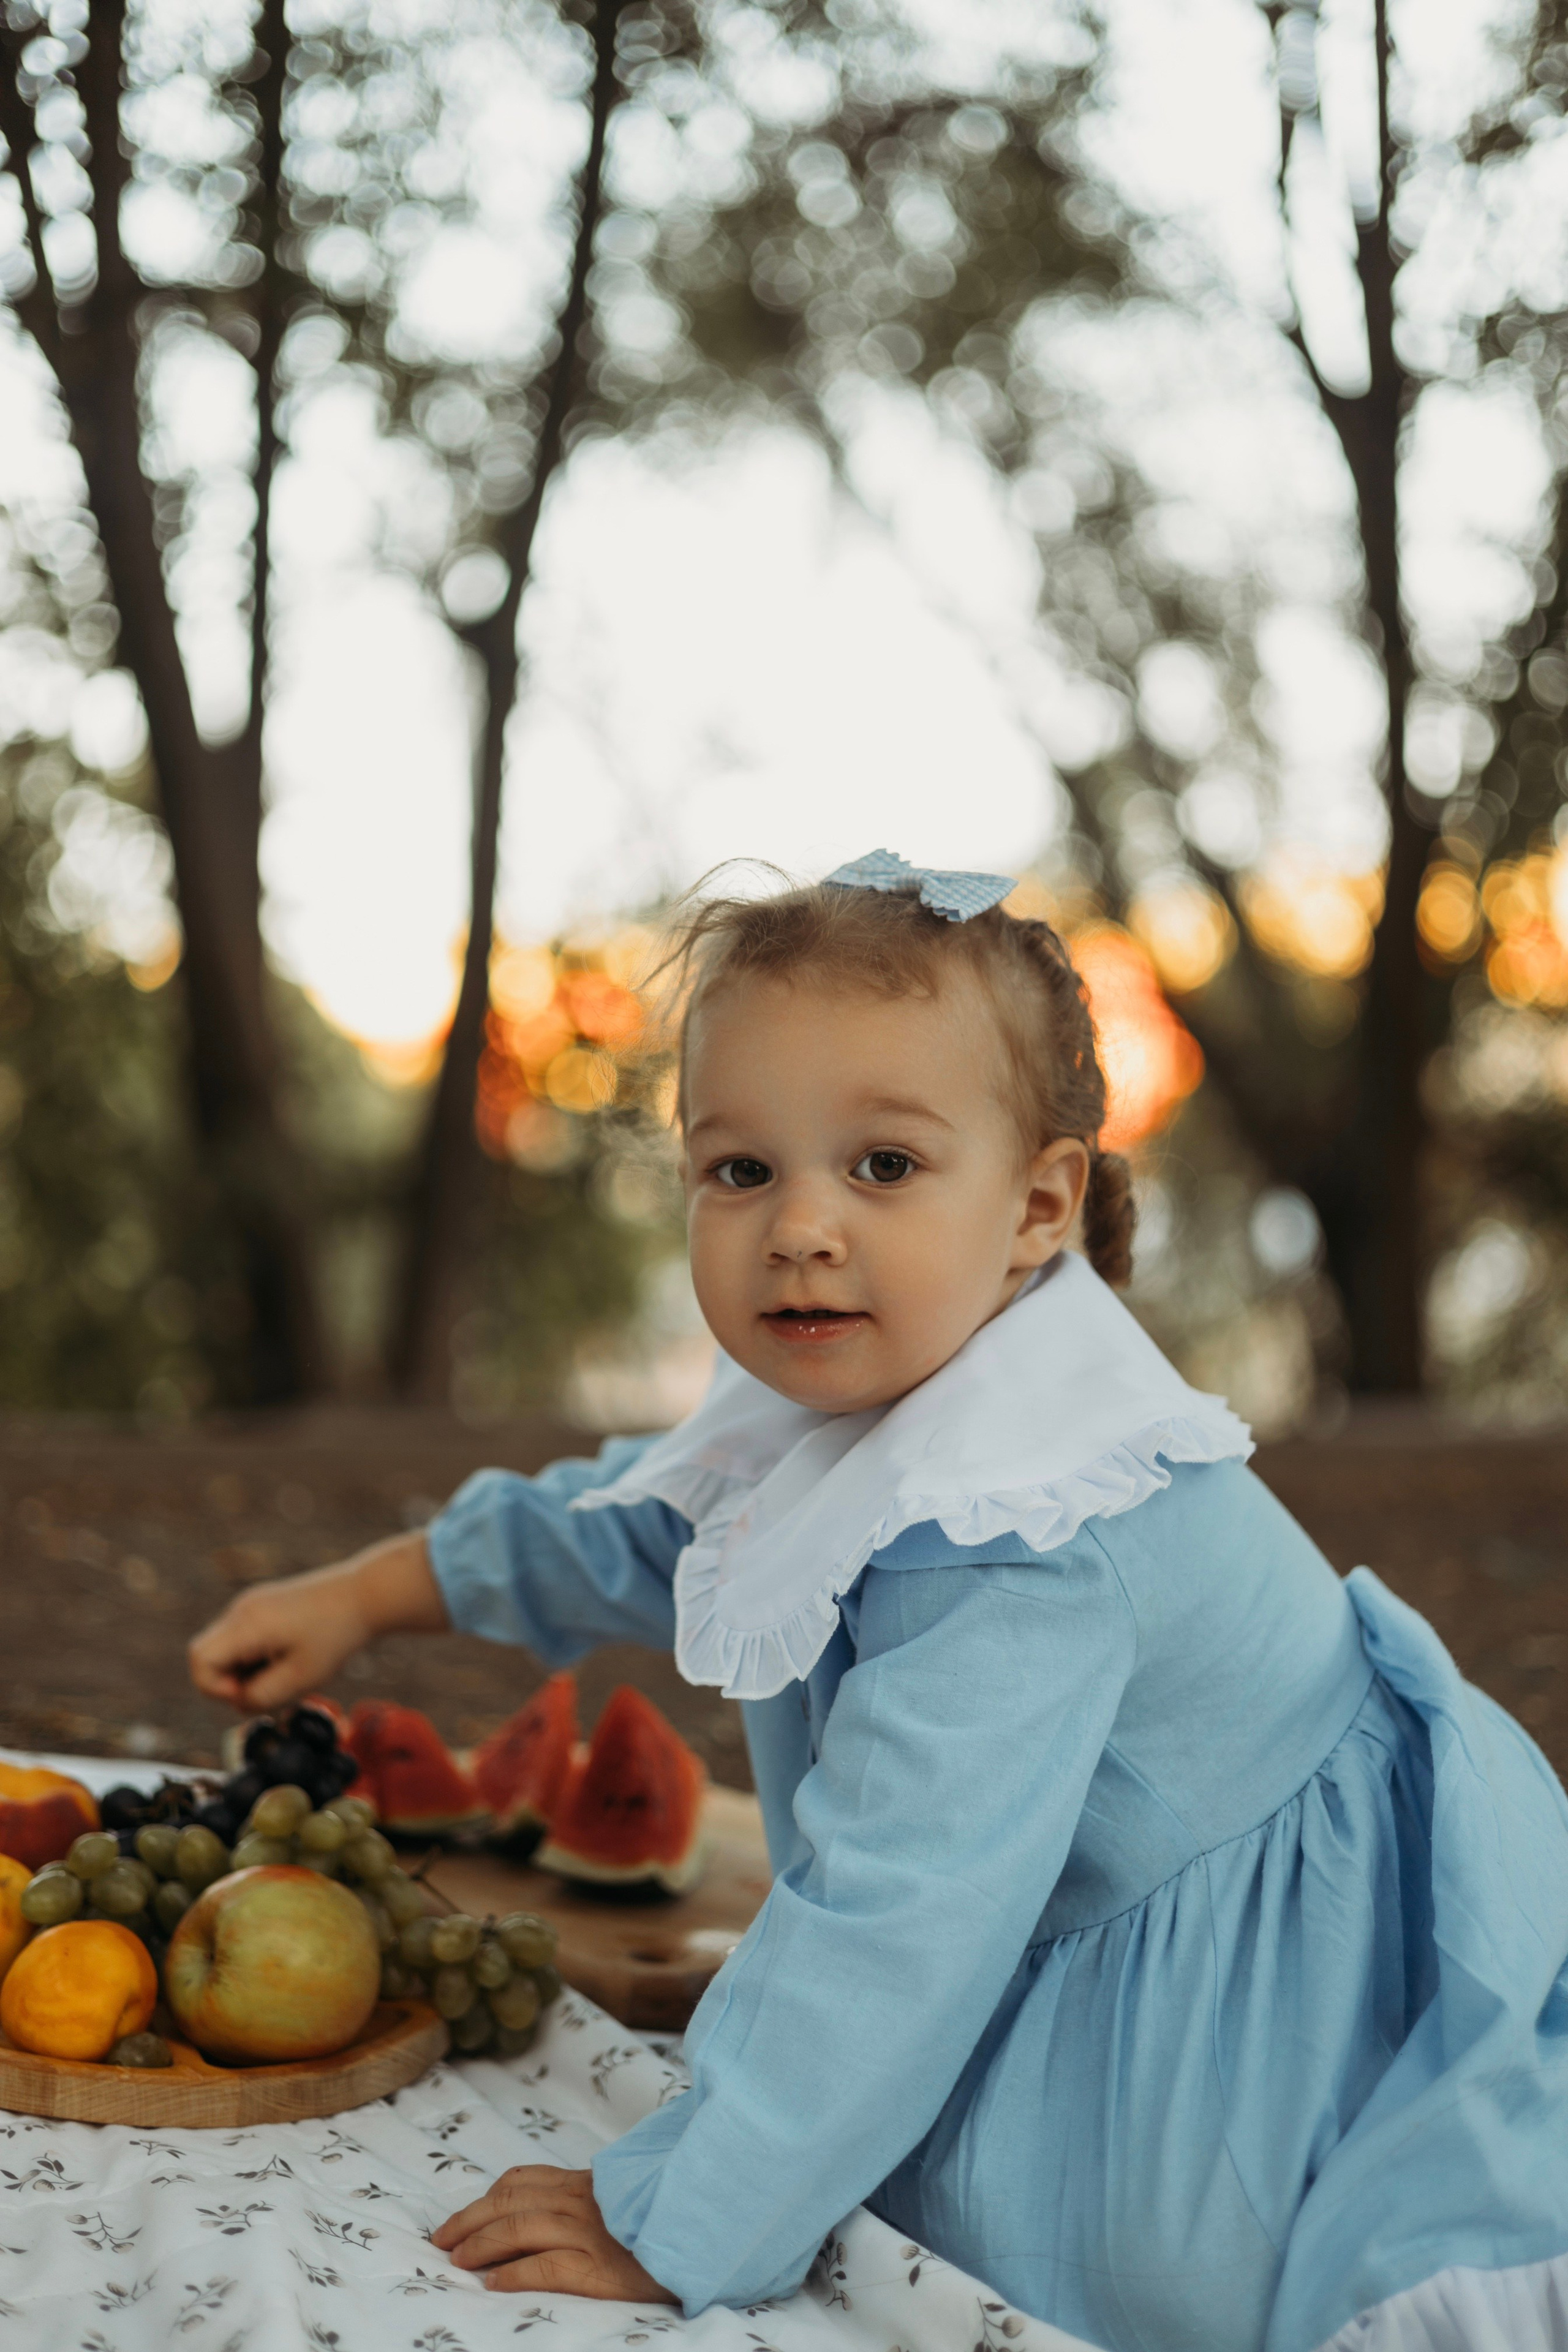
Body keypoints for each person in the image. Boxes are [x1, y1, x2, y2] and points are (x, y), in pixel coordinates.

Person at [189, 850, 1568, 2352]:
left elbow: (898, 1912)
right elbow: (653, 1528)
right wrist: (370, 1589)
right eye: (740, 1170)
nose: (799, 1227)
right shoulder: (868, 1367)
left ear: (1038, 1203)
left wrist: (680, 2211)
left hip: (1250, 2005)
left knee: (1117, 2269)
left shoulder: (1023, 1527)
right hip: (1032, 1900)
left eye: (883, 1167)